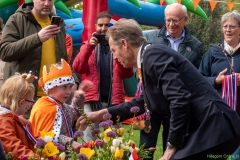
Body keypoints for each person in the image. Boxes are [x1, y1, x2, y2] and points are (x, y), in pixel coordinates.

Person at [77, 19, 240, 160]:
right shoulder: (149, 57)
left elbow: (179, 98)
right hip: (211, 129)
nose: (114, 56)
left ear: (124, 44)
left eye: (114, 50)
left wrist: (170, 148)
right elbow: (142, 102)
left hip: (214, 128)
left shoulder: (153, 55)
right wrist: (100, 114)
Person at [140, 3, 203, 159]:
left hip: (177, 103)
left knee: (173, 144)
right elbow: (139, 67)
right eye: (167, 20)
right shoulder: (150, 38)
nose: (170, 24)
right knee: (146, 147)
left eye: (175, 20)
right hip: (152, 102)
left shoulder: (195, 45)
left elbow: (196, 75)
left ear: (185, 20)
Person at [72, 12, 133, 142]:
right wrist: (89, 46)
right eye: (100, 25)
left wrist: (117, 51)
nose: (104, 28)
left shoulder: (119, 47)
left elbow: (127, 74)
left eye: (107, 25)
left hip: (114, 101)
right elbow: (77, 68)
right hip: (91, 100)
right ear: (95, 26)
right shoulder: (87, 46)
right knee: (89, 139)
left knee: (114, 141)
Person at [0, 0, 68, 99]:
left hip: (53, 95)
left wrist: (74, 81)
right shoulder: (16, 19)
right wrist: (37, 38)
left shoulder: (59, 23)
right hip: (23, 95)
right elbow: (5, 52)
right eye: (42, 0)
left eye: (50, 0)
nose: (46, 3)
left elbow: (63, 58)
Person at [198, 10, 240, 160]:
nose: (228, 30)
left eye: (232, 26)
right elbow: (199, 79)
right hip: (218, 114)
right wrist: (216, 81)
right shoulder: (212, 52)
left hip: (239, 113)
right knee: (216, 154)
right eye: (225, 26)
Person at [29, 59, 92, 151]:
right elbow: (45, 135)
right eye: (64, 87)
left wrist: (80, 94)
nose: (68, 92)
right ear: (50, 88)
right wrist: (70, 142)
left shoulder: (62, 106)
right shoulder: (43, 107)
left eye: (70, 87)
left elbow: (75, 114)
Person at [0, 72, 37, 159]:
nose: (32, 104)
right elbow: (14, 147)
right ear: (22, 102)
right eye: (31, 101)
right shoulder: (4, 122)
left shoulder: (16, 119)